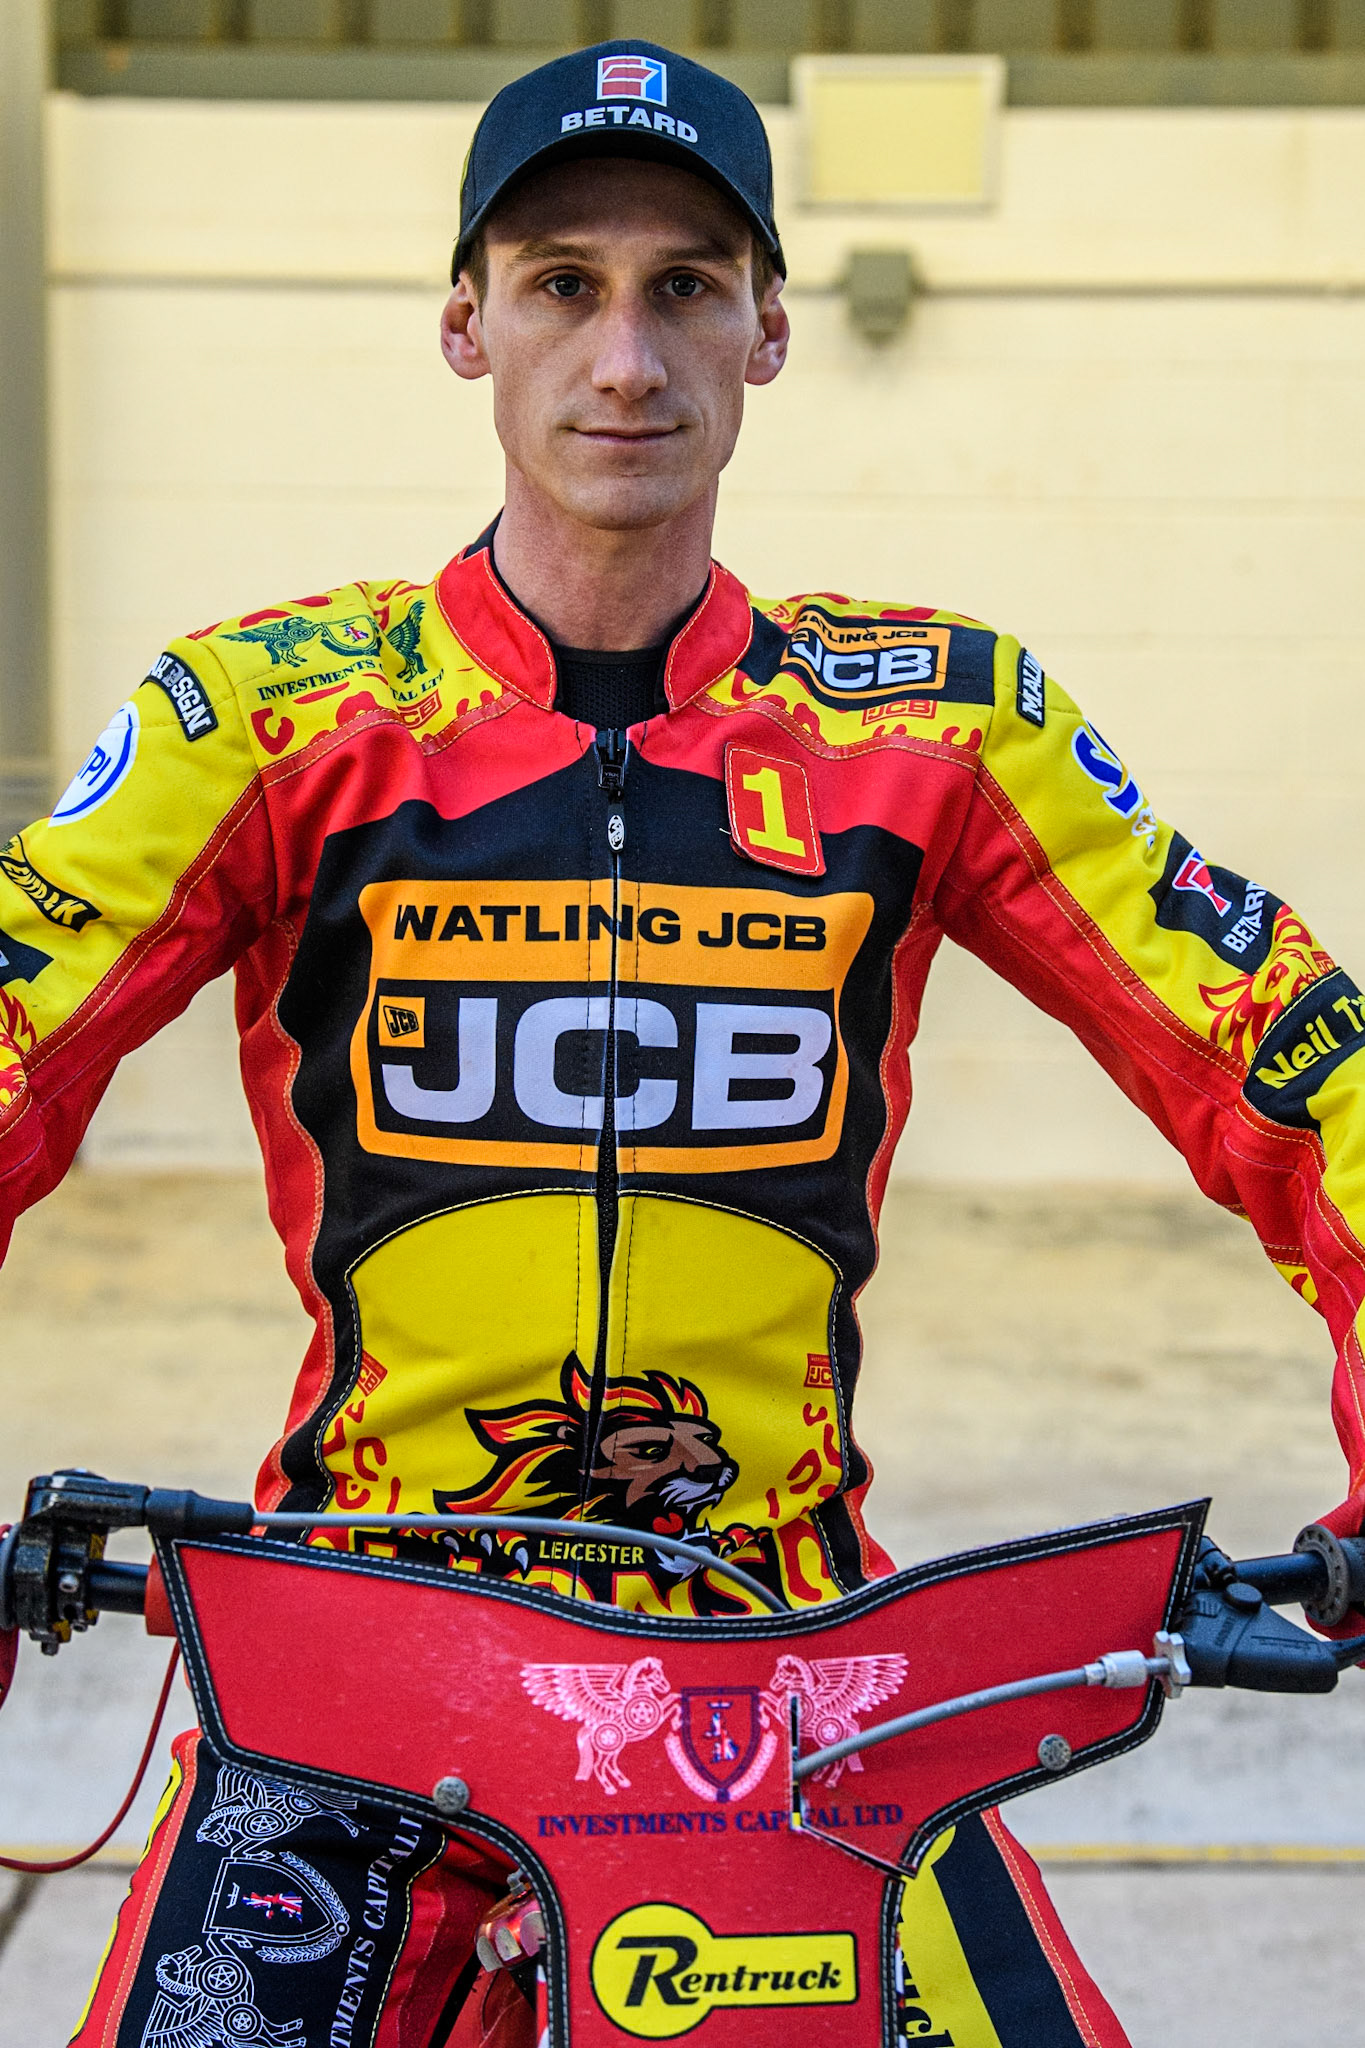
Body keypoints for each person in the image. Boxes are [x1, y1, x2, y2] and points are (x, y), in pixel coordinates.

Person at [3, 38, 1364, 2048]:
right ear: (466, 323)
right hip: (356, 1645)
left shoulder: (928, 730)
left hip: (797, 1658)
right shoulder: (267, 719)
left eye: (682, 287)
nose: (622, 357)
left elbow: (1297, 1073)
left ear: (770, 331)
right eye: (561, 283)